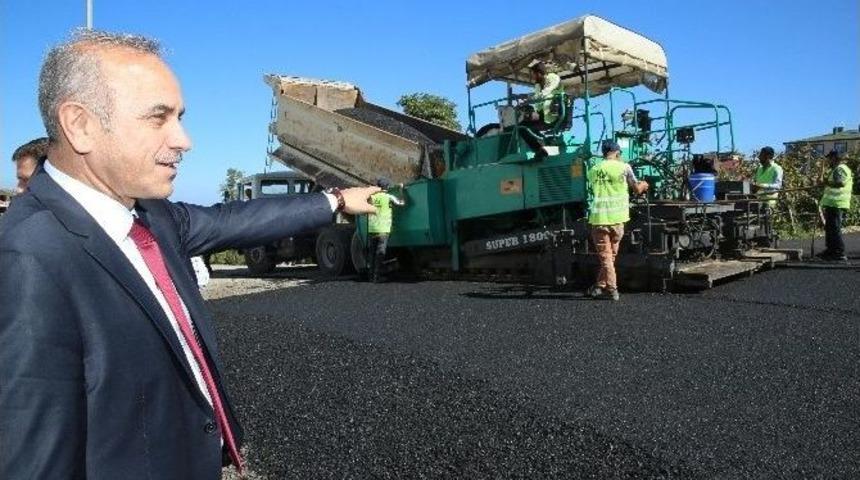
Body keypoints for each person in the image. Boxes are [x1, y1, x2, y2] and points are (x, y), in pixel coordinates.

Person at [0, 30, 379, 479]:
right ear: (80, 124)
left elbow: (235, 219)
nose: (184, 140)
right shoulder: (28, 257)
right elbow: (35, 458)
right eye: (158, 118)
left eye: (179, 117)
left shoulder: (154, 218)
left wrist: (335, 201)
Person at [586, 140, 649, 300]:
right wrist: (644, 185)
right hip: (618, 220)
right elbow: (636, 189)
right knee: (609, 257)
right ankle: (609, 288)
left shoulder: (593, 170)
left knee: (607, 258)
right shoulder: (624, 167)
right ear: (617, 152)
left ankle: (604, 287)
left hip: (599, 220)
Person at [517, 60, 565, 158]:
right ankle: (539, 149)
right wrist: (526, 98)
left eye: (533, 74)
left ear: (539, 73)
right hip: (542, 113)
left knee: (525, 126)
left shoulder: (553, 78)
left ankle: (540, 147)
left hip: (554, 113)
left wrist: (528, 100)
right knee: (521, 126)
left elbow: (544, 94)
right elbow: (537, 96)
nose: (532, 77)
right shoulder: (538, 85)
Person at [816, 149, 853, 262]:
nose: (828, 160)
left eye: (829, 158)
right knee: (830, 228)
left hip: (837, 203)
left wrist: (825, 182)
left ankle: (838, 252)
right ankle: (830, 250)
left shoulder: (840, 169)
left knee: (834, 228)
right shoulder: (835, 169)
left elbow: (840, 183)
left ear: (834, 158)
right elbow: (831, 184)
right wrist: (824, 182)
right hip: (832, 203)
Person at [367, 177, 406, 283]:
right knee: (380, 253)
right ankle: (377, 277)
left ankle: (370, 277)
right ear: (387, 187)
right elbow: (402, 203)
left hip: (372, 229)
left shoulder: (372, 198)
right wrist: (401, 190)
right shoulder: (389, 197)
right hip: (383, 229)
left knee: (372, 253)